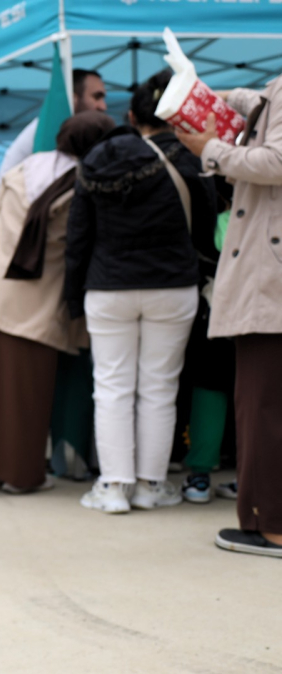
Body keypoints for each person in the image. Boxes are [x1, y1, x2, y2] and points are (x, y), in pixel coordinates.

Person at [65, 70, 218, 515]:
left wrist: (73, 297)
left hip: (108, 286)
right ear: (174, 116)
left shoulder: (100, 156)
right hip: (174, 286)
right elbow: (206, 231)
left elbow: (79, 235)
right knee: (160, 387)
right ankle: (151, 485)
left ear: (131, 116)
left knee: (110, 386)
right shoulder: (192, 159)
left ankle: (113, 488)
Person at [0, 111, 116, 493]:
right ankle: (19, 474)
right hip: (34, 303)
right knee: (25, 393)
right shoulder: (84, 183)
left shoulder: (25, 169)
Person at [178, 72, 282, 557]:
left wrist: (211, 149)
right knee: (259, 403)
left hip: (270, 283)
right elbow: (264, 105)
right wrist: (224, 97)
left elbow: (277, 158)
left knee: (262, 406)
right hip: (267, 283)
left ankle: (271, 523)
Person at [0, 69, 109, 272]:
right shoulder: (50, 134)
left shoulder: (66, 133)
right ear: (73, 99)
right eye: (96, 96)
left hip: (7, 246)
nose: (103, 106)